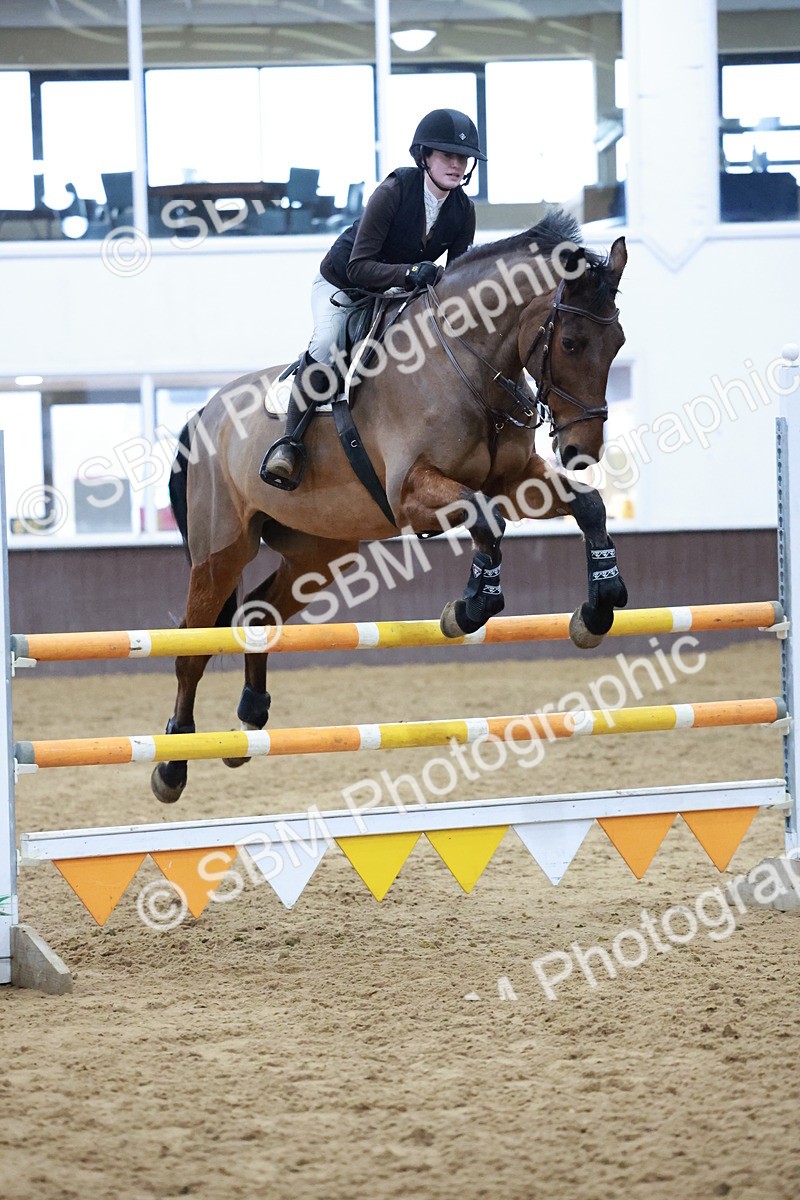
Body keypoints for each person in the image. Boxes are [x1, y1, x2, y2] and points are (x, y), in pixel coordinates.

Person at [260, 108, 487, 488]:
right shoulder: (394, 191)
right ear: (424, 157)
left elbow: (456, 277)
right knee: (330, 341)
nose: (457, 164)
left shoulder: (462, 210)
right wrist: (411, 273)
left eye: (463, 158)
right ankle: (289, 443)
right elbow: (358, 266)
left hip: (398, 294)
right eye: (448, 156)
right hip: (344, 285)